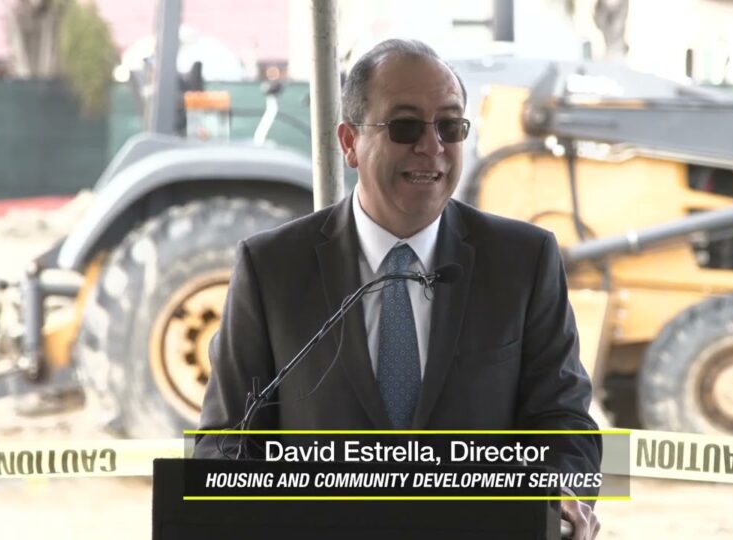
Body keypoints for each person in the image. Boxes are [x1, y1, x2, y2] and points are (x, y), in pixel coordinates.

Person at [195, 39, 602, 539]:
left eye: (449, 126)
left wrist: (561, 491)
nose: (431, 146)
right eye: (406, 126)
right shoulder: (271, 268)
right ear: (349, 142)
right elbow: (226, 442)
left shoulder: (523, 260)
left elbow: (563, 419)